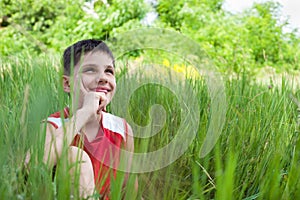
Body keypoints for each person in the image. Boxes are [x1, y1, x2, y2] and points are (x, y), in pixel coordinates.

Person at [42, 39, 136, 199]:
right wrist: (84, 112)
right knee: (74, 155)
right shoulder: (52, 125)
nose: (103, 78)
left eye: (109, 71)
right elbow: (34, 167)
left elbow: (130, 190)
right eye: (90, 70)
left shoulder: (122, 129)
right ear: (67, 83)